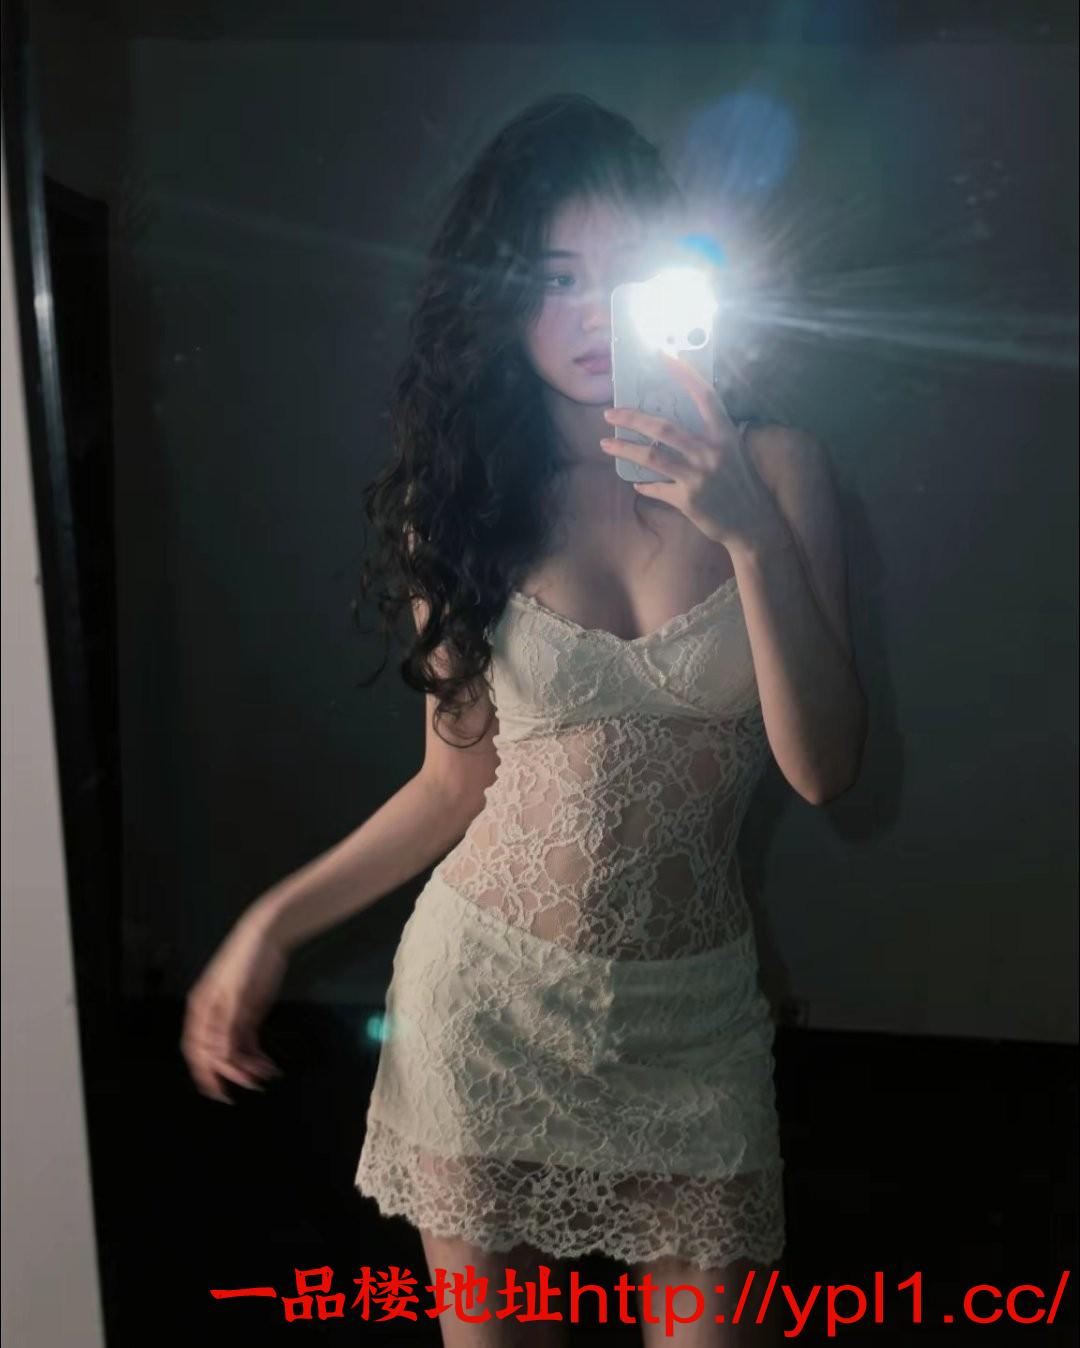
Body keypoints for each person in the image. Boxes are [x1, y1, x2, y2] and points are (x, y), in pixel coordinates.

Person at [182, 94, 867, 1346]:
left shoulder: (778, 470)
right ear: (501, 298)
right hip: (484, 1010)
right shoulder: (463, 501)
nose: (592, 314)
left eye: (623, 274)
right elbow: (454, 787)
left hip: (696, 1026)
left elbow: (824, 770)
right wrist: (267, 925)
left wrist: (751, 538)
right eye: (556, 278)